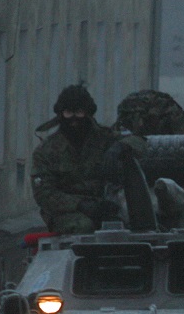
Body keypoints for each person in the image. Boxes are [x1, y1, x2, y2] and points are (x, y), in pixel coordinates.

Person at [31, 84, 120, 234]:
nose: (74, 119)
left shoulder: (106, 139)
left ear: (88, 113)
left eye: (79, 112)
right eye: (68, 112)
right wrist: (80, 204)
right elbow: (44, 194)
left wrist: (121, 147)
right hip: (65, 212)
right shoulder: (47, 150)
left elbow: (139, 143)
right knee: (83, 226)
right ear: (61, 115)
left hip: (105, 206)